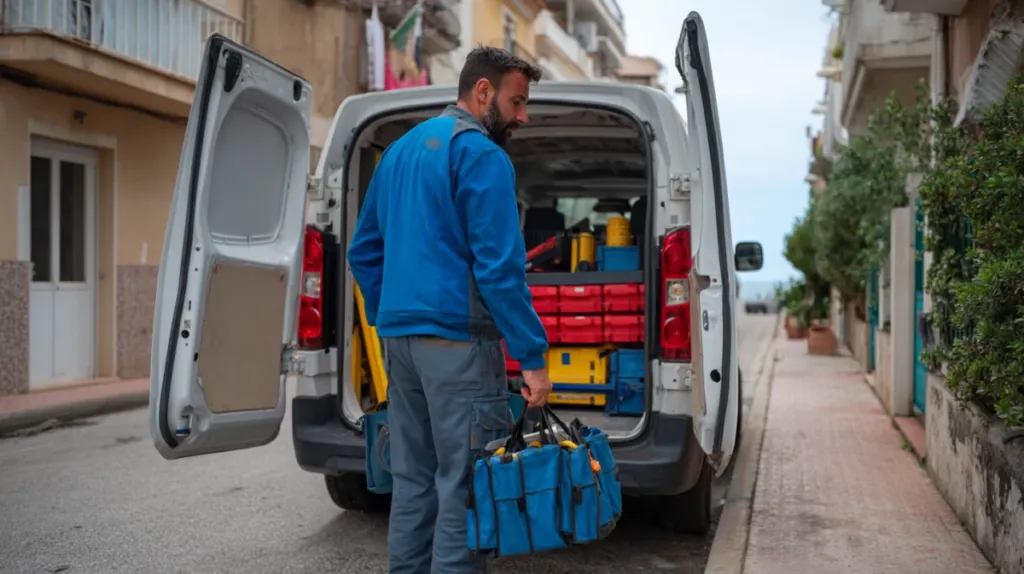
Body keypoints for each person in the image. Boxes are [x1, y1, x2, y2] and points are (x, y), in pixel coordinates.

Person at [346, 47, 552, 573]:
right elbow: (500, 272)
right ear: (483, 92)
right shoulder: (482, 157)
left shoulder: (399, 152)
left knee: (413, 480)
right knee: (464, 485)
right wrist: (532, 358)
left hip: (402, 345)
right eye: (517, 102)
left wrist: (387, 315)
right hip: (458, 345)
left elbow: (363, 252)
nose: (523, 117)